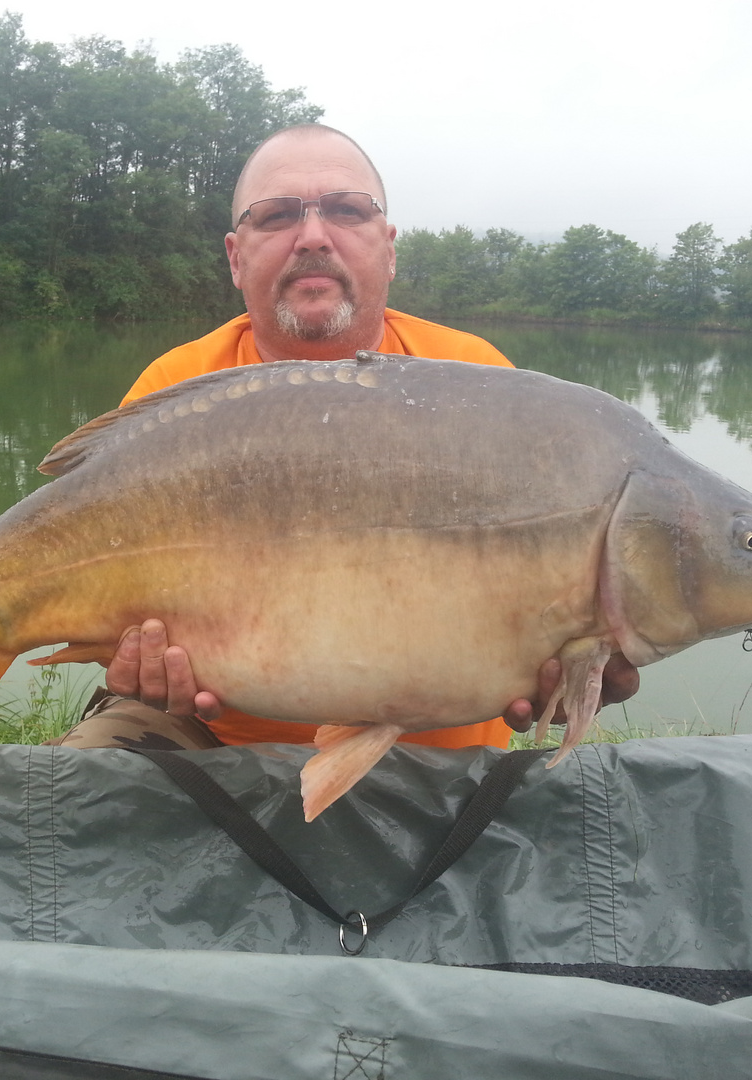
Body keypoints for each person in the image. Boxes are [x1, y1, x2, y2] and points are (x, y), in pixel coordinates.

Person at [52, 122, 637, 753]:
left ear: (388, 248)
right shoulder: (179, 386)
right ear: (235, 256)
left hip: (439, 751)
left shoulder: (478, 379)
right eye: (275, 216)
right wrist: (136, 664)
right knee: (87, 780)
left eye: (345, 210)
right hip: (220, 740)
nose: (311, 237)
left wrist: (577, 670)